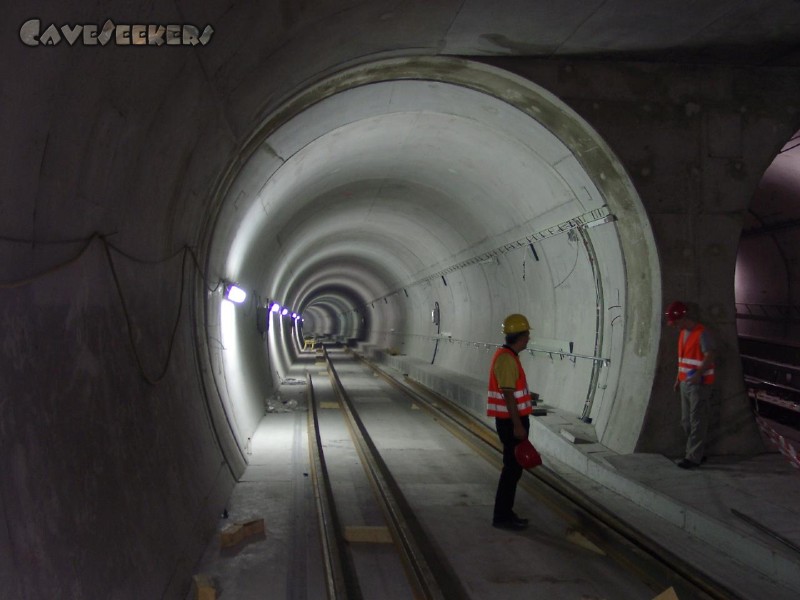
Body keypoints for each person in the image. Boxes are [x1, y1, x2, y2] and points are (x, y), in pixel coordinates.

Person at [487, 313, 534, 529]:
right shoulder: (506, 359)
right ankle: (502, 516)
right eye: (527, 335)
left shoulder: (509, 356)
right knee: (511, 470)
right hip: (510, 423)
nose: (529, 339)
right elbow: (507, 394)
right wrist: (517, 425)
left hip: (511, 420)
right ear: (520, 336)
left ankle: (506, 513)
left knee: (514, 470)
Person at [665, 301, 716, 469]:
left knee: (697, 420)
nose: (676, 327)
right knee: (686, 421)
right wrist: (677, 378)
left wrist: (699, 374)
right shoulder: (683, 333)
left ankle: (693, 457)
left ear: (684, 318)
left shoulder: (702, 333)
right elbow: (683, 360)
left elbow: (710, 355)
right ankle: (696, 452)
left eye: (677, 323)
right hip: (685, 383)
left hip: (699, 384)